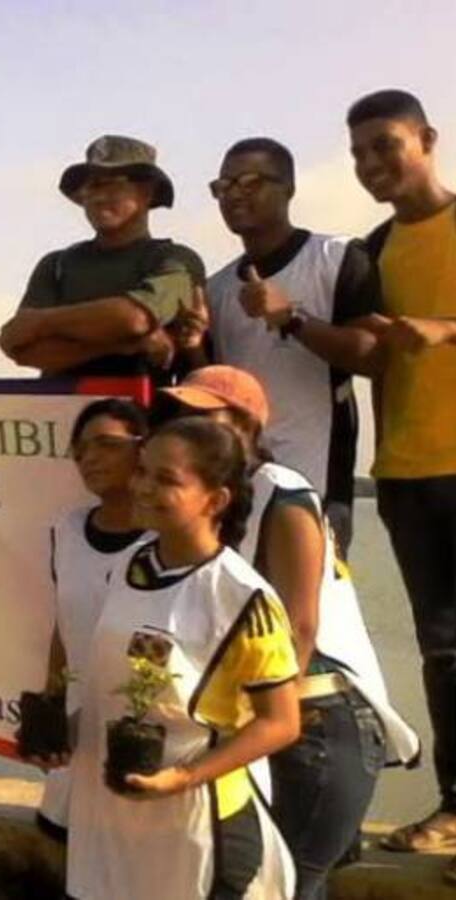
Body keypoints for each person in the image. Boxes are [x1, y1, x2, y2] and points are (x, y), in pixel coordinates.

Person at [157, 366, 418, 899]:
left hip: (317, 721)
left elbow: (298, 624)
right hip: (272, 719)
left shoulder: (282, 491)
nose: (188, 425)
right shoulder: (216, 504)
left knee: (280, 885)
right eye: (180, 414)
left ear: (247, 425)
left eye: (205, 415)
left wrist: (255, 728)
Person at [64, 417, 299, 899]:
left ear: (216, 501)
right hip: (112, 822)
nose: (143, 488)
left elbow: (281, 722)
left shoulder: (241, 597)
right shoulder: (133, 563)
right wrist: (65, 734)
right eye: (144, 472)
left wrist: (185, 777)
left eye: (166, 480)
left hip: (199, 825)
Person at [346, 89, 456, 876]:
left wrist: (444, 330)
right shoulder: (373, 247)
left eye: (386, 145)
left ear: (428, 139)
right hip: (407, 472)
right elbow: (364, 355)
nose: (372, 165)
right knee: (443, 652)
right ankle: (455, 806)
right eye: (359, 154)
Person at [200, 138, 384, 556]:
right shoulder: (217, 288)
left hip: (314, 479)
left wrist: (292, 318)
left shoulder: (337, 257)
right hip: (237, 483)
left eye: (249, 182)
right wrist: (191, 344)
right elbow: (212, 388)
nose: (233, 196)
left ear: (289, 187)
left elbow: (373, 356)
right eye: (222, 186)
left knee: (312, 614)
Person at [22, 398, 148, 839]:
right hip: (79, 741)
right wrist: (51, 707)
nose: (91, 458)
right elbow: (64, 627)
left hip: (144, 746)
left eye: (106, 445)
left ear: (143, 449)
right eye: (81, 450)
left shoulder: (168, 541)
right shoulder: (67, 530)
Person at [0, 135, 205, 387]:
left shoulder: (174, 260)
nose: (97, 197)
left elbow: (134, 318)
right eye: (92, 187)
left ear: (146, 192)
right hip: (63, 418)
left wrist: (41, 321)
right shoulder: (57, 265)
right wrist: (125, 344)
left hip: (144, 419)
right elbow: (19, 347)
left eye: (111, 184)